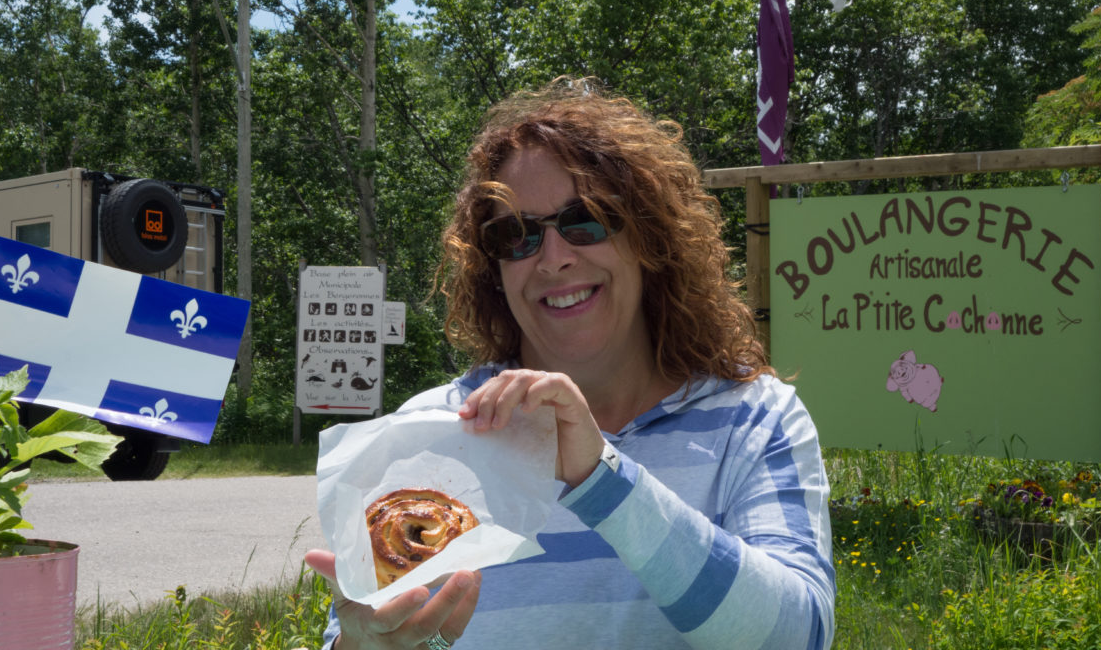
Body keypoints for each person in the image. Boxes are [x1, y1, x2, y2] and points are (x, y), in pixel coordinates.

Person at [306, 78, 835, 649]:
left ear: (650, 237)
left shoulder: (753, 419)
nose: (554, 259)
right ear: (493, 267)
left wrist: (601, 477)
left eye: (586, 218)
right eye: (516, 235)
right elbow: (360, 629)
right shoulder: (427, 432)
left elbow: (800, 636)